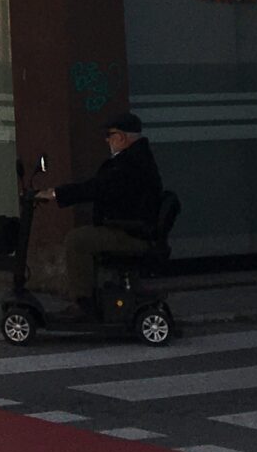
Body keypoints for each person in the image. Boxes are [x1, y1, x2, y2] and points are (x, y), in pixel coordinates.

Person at [43, 111, 166, 313]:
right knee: (86, 235)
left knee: (77, 240)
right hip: (133, 228)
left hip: (131, 232)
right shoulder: (136, 158)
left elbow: (98, 188)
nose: (106, 140)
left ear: (121, 137)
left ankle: (83, 302)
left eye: (110, 135)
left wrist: (56, 194)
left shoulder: (129, 163)